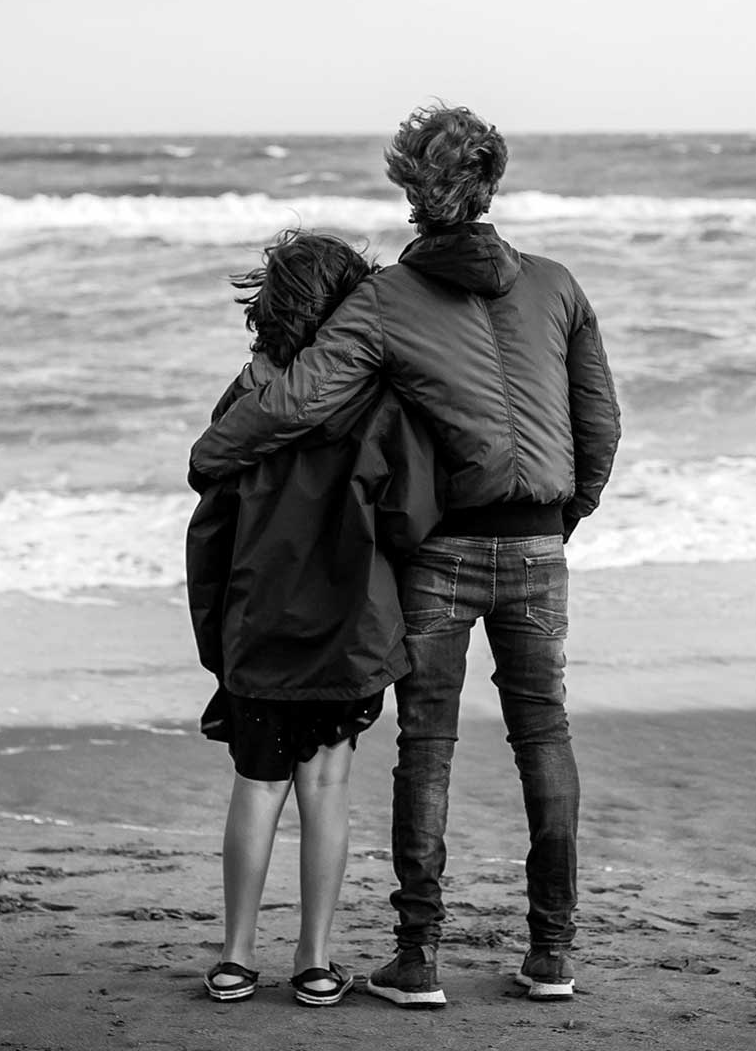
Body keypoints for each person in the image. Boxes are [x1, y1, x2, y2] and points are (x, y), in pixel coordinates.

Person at [189, 103, 622, 1007]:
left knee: (426, 744)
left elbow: (299, 402)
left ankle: (417, 957)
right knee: (543, 734)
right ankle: (552, 954)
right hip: (539, 548)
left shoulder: (385, 299)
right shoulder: (558, 285)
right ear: (490, 183)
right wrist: (561, 518)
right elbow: (599, 423)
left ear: (409, 190)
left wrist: (211, 455)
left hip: (443, 551)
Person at [186, 229, 442, 1007]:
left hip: (259, 623)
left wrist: (216, 634)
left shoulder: (247, 397)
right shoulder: (379, 401)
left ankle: (235, 958)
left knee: (256, 785)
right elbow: (409, 515)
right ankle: (315, 962)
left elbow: (211, 523)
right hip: (349, 628)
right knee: (327, 784)